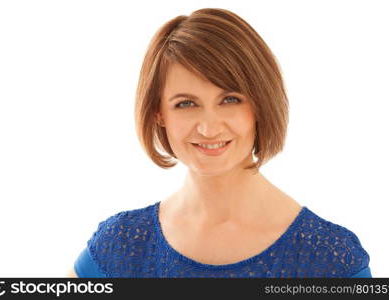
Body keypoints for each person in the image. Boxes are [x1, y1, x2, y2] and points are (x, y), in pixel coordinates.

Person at [68, 8, 372, 278]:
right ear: (159, 113)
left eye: (230, 99)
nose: (209, 127)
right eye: (186, 104)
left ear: (260, 105)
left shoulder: (331, 260)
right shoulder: (122, 246)